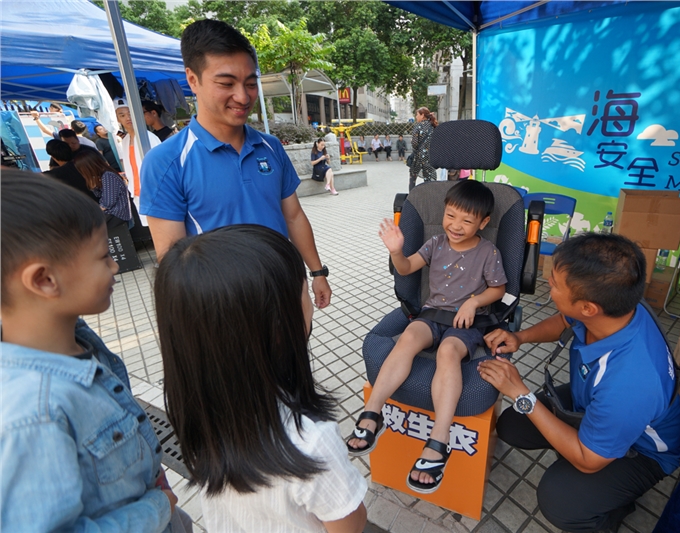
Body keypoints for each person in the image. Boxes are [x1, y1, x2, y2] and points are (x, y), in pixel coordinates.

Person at [0, 170, 192, 532]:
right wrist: (156, 508)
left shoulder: (79, 341)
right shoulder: (32, 413)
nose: (115, 265)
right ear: (44, 280)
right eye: (103, 257)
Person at [154, 224, 367, 533]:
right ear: (280, 326)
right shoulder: (311, 440)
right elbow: (348, 524)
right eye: (303, 288)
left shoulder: (197, 412)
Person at [478, 233, 680, 533]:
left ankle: (610, 511)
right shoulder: (617, 306)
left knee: (559, 500)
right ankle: (586, 459)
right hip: (593, 405)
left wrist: (521, 393)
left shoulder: (631, 383)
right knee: (512, 425)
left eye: (554, 285)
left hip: (642, 451)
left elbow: (589, 460)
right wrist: (519, 337)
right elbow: (566, 320)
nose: (548, 285)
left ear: (588, 308)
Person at [139, 19, 332, 309]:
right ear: (193, 79)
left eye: (251, 84)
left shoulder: (271, 146)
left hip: (286, 288)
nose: (243, 97)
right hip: (224, 306)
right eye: (226, 83)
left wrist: (317, 273)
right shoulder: (166, 161)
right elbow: (173, 261)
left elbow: (293, 216)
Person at [346, 180, 507, 494]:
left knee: (448, 352)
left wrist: (474, 302)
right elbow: (406, 268)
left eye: (467, 221)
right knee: (408, 337)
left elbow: (498, 289)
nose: (455, 226)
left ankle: (439, 439)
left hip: (465, 323)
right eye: (450, 216)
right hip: (431, 315)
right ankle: (373, 413)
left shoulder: (488, 252)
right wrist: (396, 251)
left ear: (483, 223)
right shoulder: (435, 243)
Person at [114, 97, 162, 228]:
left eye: (130, 113)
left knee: (162, 226)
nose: (127, 118)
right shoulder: (125, 140)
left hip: (155, 191)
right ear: (117, 119)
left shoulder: (148, 137)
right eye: (122, 115)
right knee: (151, 228)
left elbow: (161, 166)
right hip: (137, 191)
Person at [73, 148, 132, 230]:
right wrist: (93, 187)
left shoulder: (108, 176)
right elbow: (99, 195)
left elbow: (108, 203)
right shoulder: (102, 176)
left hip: (117, 214)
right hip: (111, 213)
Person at [409, 107, 438, 192]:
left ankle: (411, 196)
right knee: (429, 178)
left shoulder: (418, 126)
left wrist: (416, 147)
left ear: (422, 115)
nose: (416, 116)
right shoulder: (433, 125)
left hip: (418, 157)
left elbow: (414, 143)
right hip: (430, 157)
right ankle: (430, 196)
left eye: (417, 114)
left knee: (412, 177)